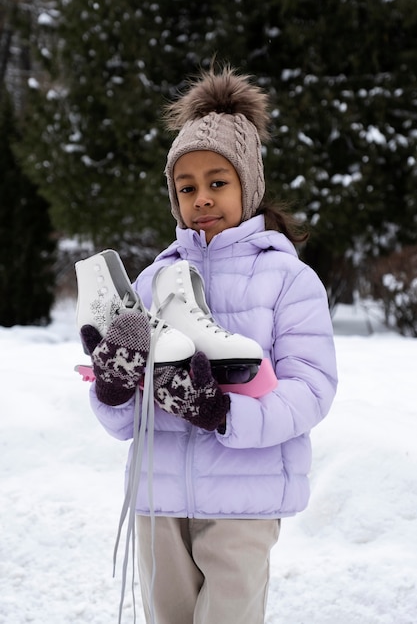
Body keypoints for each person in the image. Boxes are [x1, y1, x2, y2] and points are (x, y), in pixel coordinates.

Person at [81, 65, 338, 624]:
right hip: (157, 496)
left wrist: (222, 412)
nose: (202, 198)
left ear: (248, 183)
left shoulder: (289, 280)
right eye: (186, 186)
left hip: (244, 502)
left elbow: (311, 390)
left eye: (217, 182)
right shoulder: (151, 282)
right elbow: (123, 421)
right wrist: (113, 384)